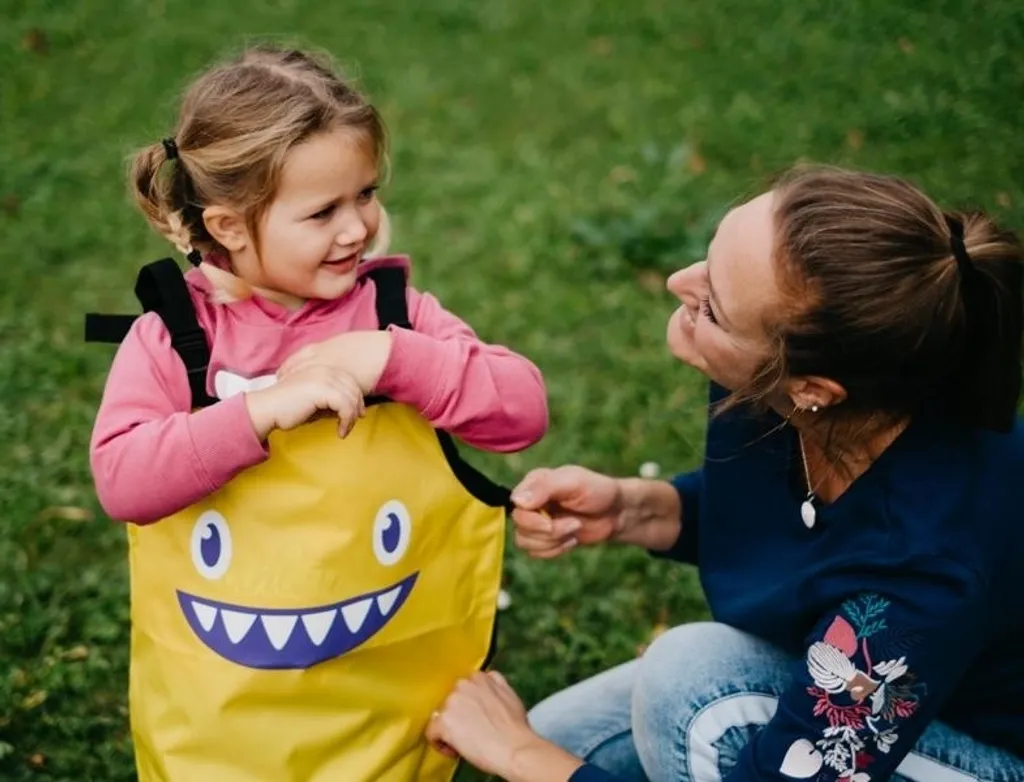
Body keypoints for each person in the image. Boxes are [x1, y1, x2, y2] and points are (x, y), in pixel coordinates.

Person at [426, 166, 1024, 781]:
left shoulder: (929, 568)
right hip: (885, 690)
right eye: (706, 262)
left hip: (987, 749)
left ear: (813, 389)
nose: (676, 283)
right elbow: (815, 530)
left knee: (689, 687)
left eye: (712, 305)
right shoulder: (791, 396)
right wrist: (639, 509)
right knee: (565, 735)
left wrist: (519, 754)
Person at [86, 44, 547, 781]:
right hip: (219, 734)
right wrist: (258, 411)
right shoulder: (176, 338)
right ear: (230, 226)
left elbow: (521, 411)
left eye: (364, 194)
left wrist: (391, 359)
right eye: (322, 211)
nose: (356, 228)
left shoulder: (393, 315)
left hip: (387, 721)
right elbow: (122, 479)